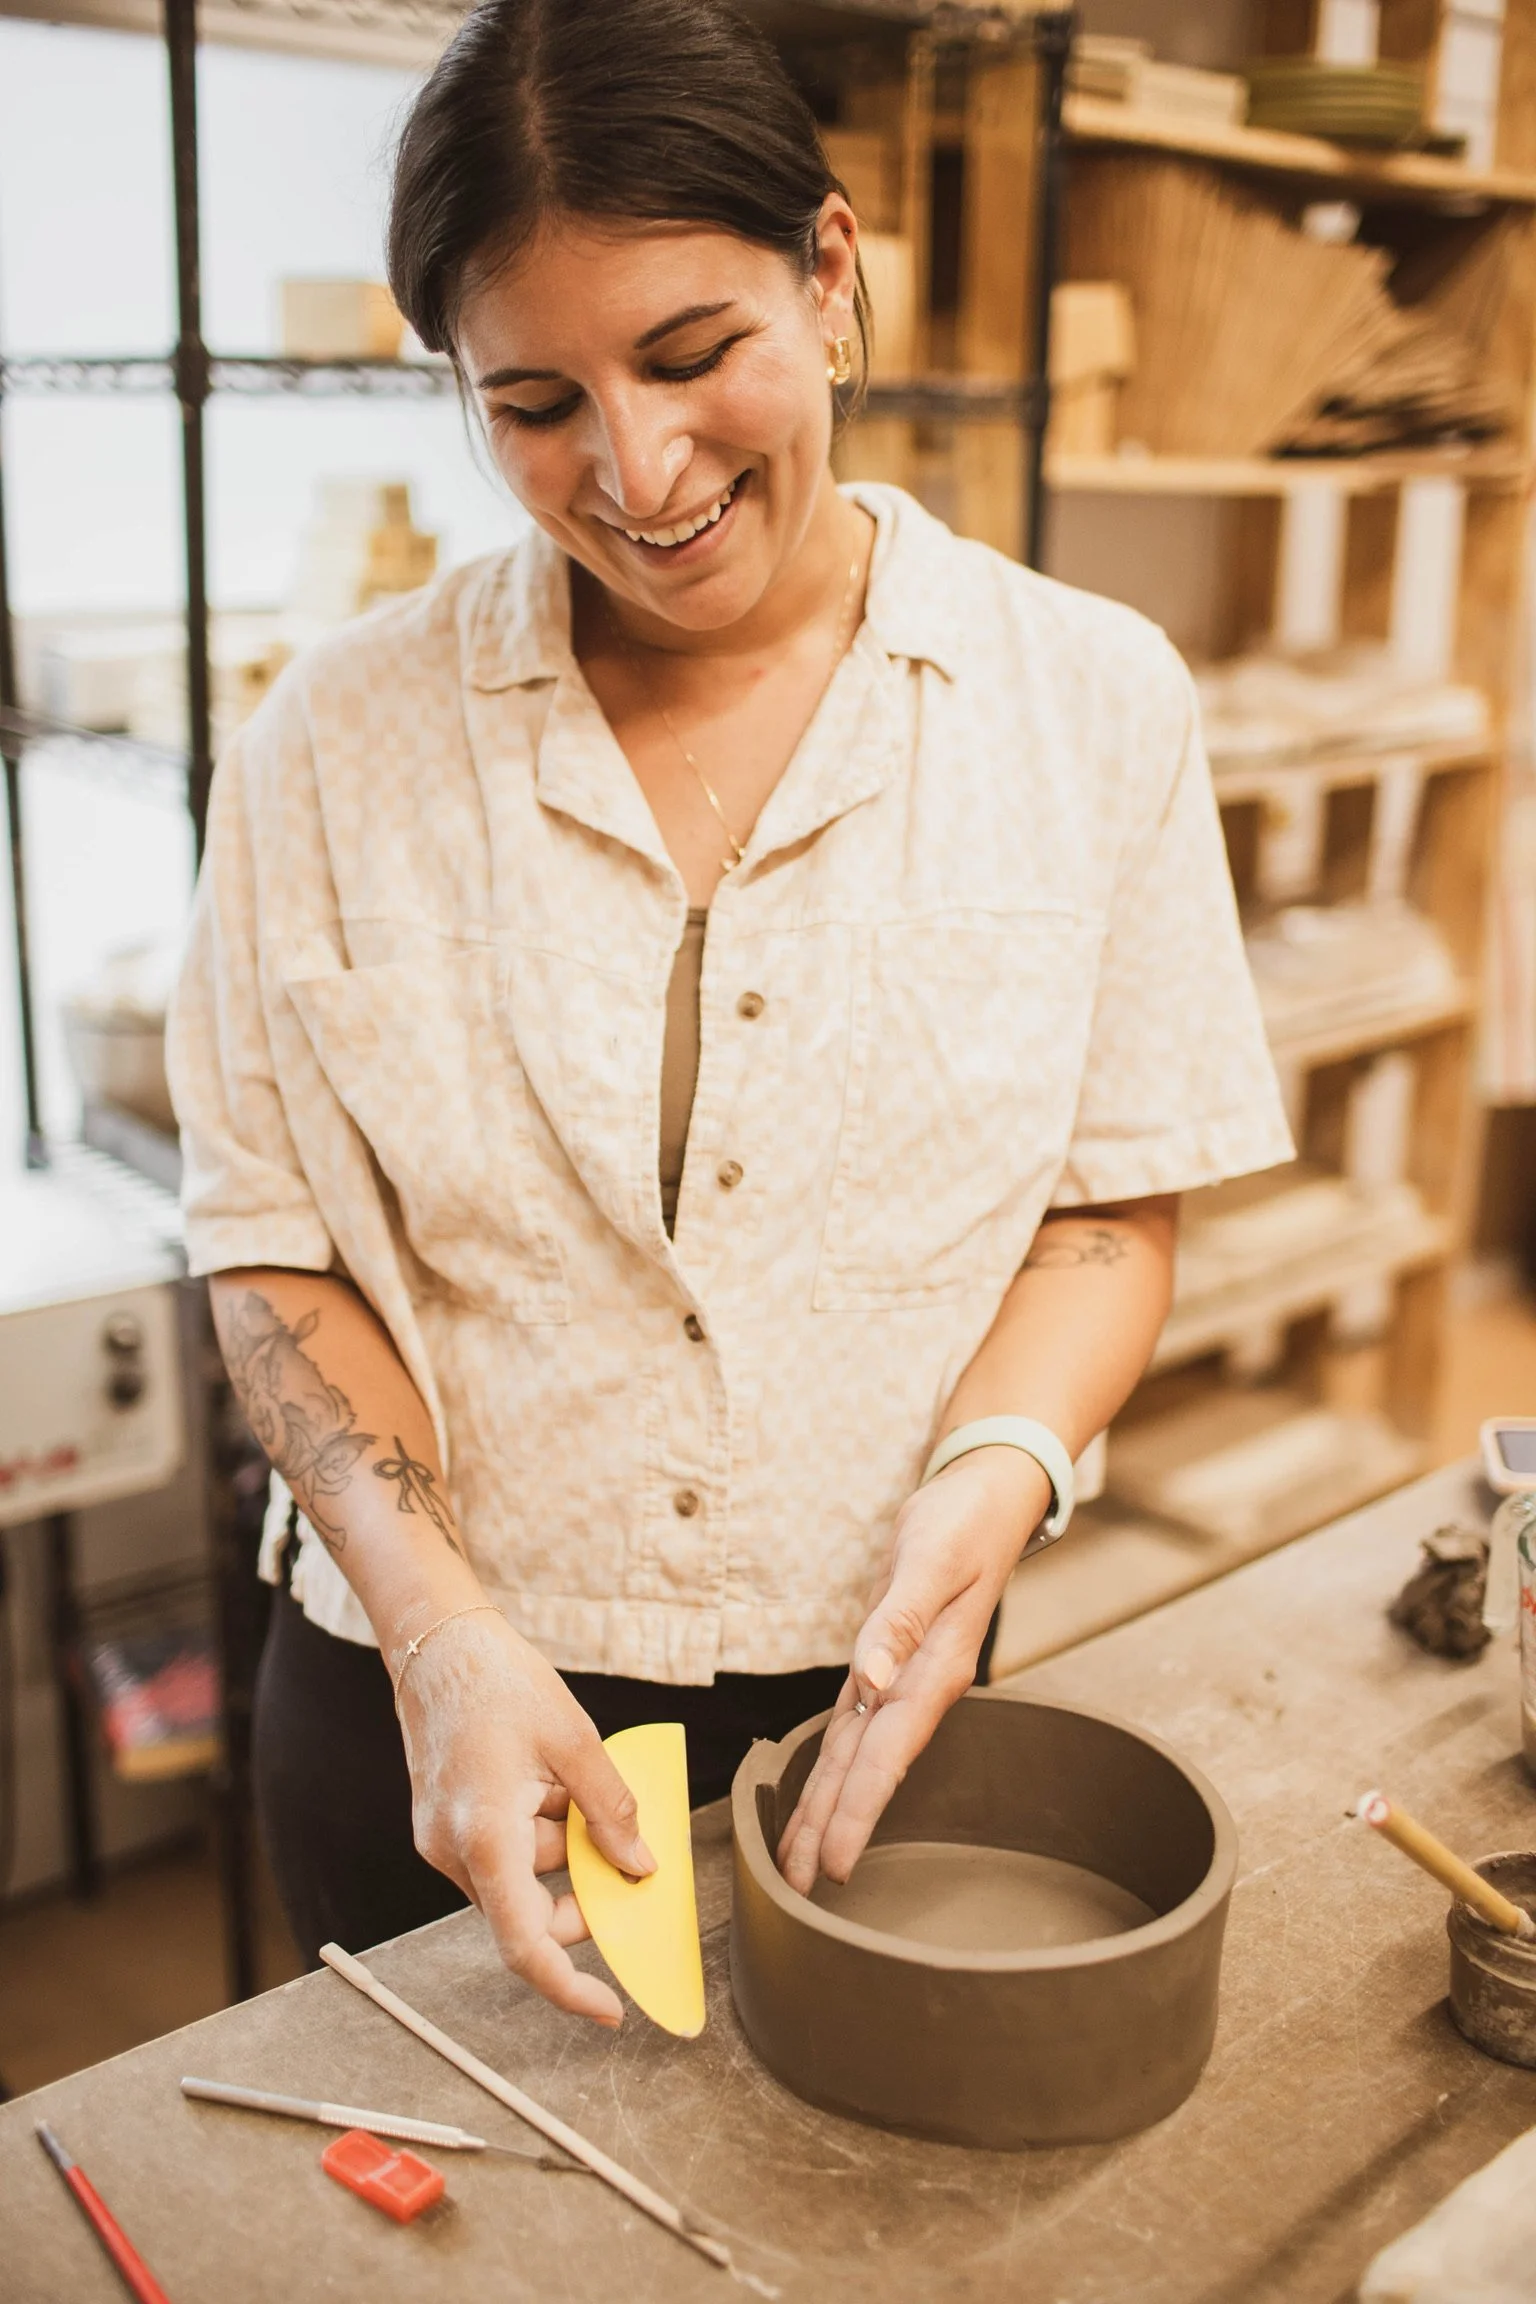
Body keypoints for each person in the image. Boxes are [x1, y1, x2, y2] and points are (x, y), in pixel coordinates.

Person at [168, 0, 1292, 2025]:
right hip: (427, 1701)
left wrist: (1003, 1468)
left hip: (863, 1693)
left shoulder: (1088, 702)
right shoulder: (332, 742)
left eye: (694, 358)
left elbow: (1113, 1211)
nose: (638, 470)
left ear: (832, 277)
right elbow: (270, 1252)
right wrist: (438, 1637)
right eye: (532, 404)